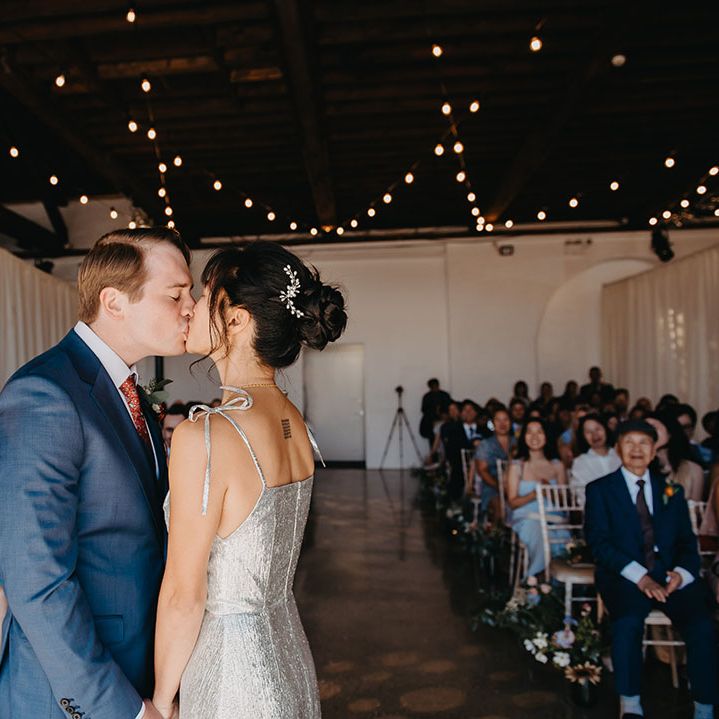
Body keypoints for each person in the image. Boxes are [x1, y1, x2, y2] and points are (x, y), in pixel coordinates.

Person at [0, 228, 194, 719]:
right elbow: (36, 580)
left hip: (139, 668)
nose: (191, 307)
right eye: (176, 294)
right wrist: (121, 709)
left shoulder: (129, 392)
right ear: (114, 302)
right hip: (73, 694)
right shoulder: (45, 394)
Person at [153, 241, 347, 719]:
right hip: (289, 654)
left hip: (231, 676)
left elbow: (183, 594)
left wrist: (160, 699)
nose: (190, 308)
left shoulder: (207, 435)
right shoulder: (293, 420)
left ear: (236, 319)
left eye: (204, 296)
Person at [584, 420, 718, 719]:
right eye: (629, 442)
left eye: (644, 442)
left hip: (669, 576)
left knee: (702, 624)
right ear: (618, 448)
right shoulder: (600, 490)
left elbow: (687, 542)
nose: (637, 449)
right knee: (627, 622)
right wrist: (640, 577)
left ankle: (704, 705)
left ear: (654, 450)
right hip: (625, 576)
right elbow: (599, 544)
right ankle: (631, 703)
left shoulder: (671, 490)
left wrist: (681, 574)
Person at [506, 419, 569, 578]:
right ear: (524, 437)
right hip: (528, 518)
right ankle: (535, 583)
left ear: (546, 436)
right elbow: (512, 503)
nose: (534, 436)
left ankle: (557, 585)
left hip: (554, 518)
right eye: (529, 432)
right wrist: (534, 494)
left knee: (564, 538)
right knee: (540, 537)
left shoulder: (557, 465)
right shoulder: (517, 466)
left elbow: (564, 502)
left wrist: (549, 492)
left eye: (539, 431)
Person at [646, 412, 705, 502]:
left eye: (653, 428)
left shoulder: (693, 470)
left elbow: (695, 507)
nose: (646, 434)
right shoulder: (638, 468)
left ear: (669, 432)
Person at [474, 406, 516, 516]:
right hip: (492, 486)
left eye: (505, 419)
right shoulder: (485, 444)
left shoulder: (517, 442)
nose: (502, 424)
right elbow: (482, 471)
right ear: (492, 423)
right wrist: (500, 487)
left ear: (511, 422)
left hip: (516, 484)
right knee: (500, 509)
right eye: (498, 420)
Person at [569, 414, 621, 490]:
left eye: (597, 429)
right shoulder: (580, 462)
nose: (595, 435)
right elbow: (580, 491)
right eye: (588, 432)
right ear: (583, 436)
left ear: (605, 429)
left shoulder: (620, 455)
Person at [419, 378, 452, 451]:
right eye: (432, 387)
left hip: (444, 423)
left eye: (435, 386)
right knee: (433, 443)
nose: (434, 388)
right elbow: (424, 410)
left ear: (438, 385)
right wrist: (433, 419)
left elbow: (449, 408)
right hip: (430, 424)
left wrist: (443, 416)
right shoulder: (427, 397)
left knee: (446, 443)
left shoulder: (445, 395)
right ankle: (433, 456)